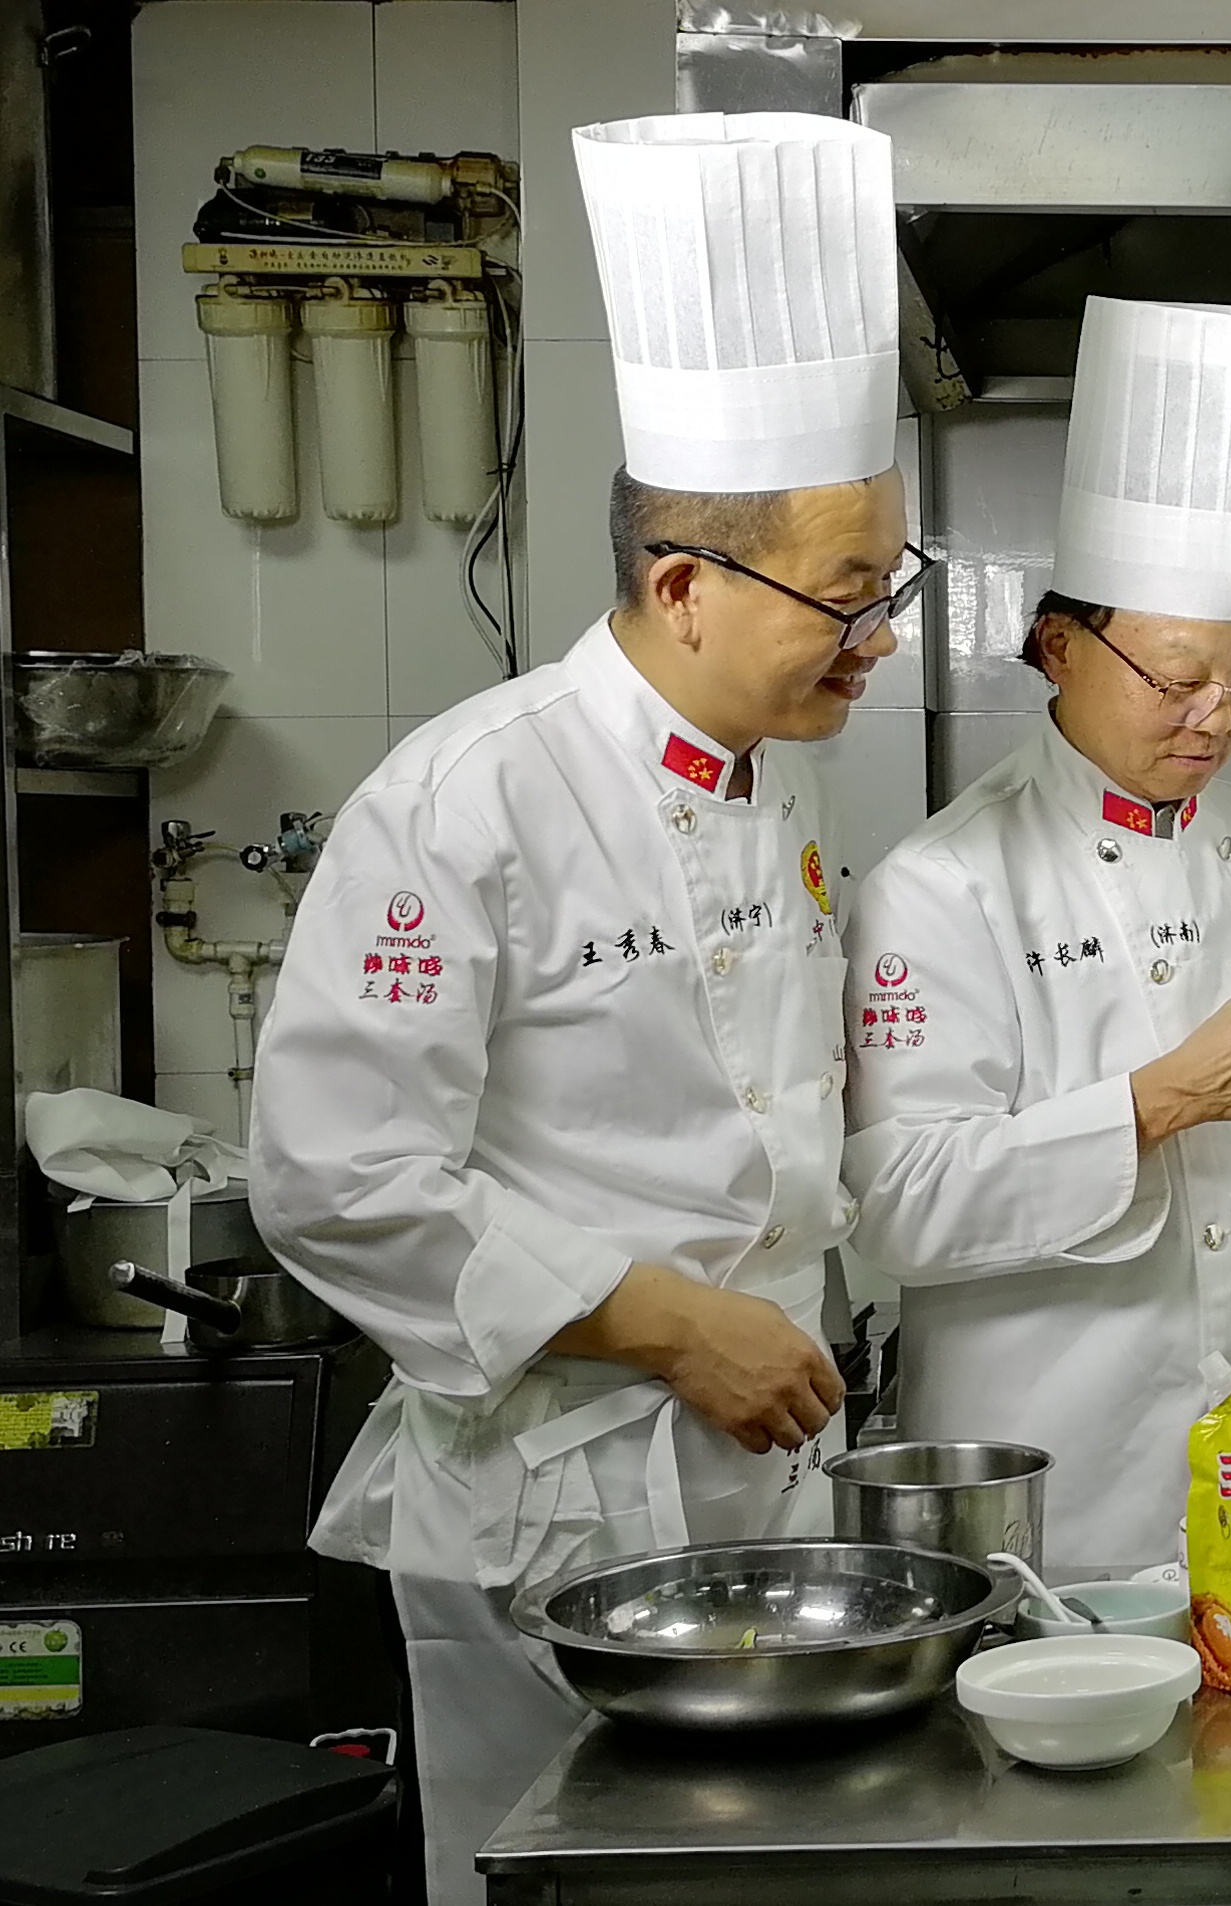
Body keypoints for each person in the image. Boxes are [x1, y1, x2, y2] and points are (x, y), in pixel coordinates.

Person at [251, 111, 910, 1905]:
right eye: (848, 596)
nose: (879, 636)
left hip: (755, 1492)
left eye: (888, 587)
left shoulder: (779, 784)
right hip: (549, 1498)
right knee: (567, 1885)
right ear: (683, 584)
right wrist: (668, 1323)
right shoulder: (467, 797)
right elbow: (332, 1177)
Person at [843, 296, 1231, 1568]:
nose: (1217, 717)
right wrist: (1156, 1101)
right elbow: (894, 1207)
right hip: (1064, 1492)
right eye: (1179, 675)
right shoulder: (944, 881)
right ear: (1056, 644)